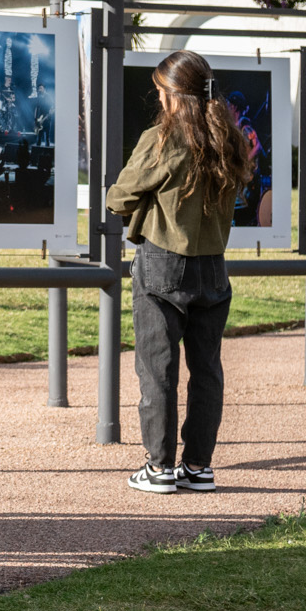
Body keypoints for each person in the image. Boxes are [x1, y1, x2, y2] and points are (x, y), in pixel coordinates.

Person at [108, 49, 251, 495]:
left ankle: (159, 468)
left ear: (173, 94)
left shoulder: (161, 139)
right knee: (207, 371)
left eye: (161, 92)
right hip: (214, 269)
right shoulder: (230, 139)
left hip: (163, 265)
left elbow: (118, 198)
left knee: (158, 371)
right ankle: (198, 467)